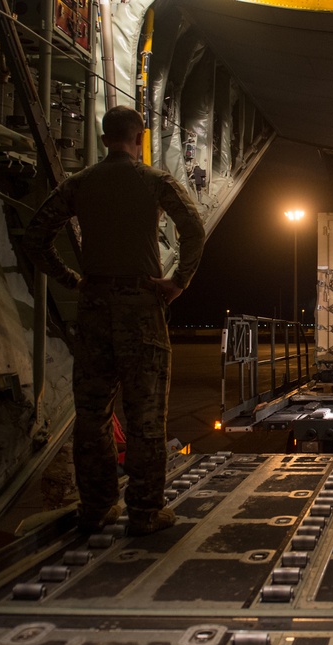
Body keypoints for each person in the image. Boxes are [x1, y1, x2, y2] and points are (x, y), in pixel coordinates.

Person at [22, 106, 206, 535]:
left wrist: (72, 278)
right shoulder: (155, 182)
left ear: (104, 139)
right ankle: (144, 512)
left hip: (95, 308)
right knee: (145, 416)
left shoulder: (80, 184)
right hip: (141, 307)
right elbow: (193, 230)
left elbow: (36, 237)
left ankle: (98, 506)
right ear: (140, 138)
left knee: (93, 414)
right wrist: (178, 281)